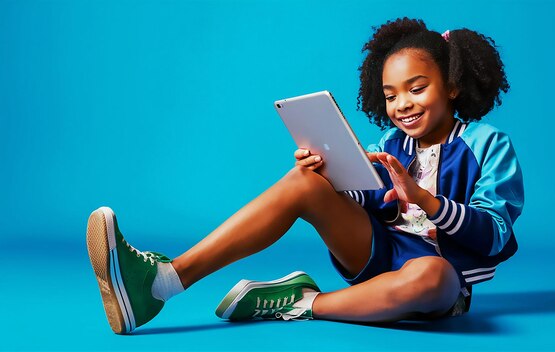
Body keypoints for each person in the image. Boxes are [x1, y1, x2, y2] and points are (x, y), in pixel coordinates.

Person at [86, 17, 524, 334]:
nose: (402, 105)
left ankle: (303, 302)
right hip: (376, 256)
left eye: (416, 88)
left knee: (435, 275)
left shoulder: (488, 143)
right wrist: (333, 175)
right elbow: (370, 206)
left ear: (451, 85)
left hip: (433, 282)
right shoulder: (390, 144)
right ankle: (161, 283)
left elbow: (495, 234)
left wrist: (425, 201)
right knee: (303, 180)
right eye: (391, 96)